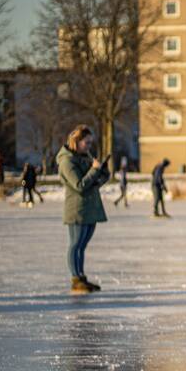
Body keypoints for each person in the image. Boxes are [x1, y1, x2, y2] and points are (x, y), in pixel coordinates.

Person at [57, 125, 110, 294]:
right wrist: (94, 170)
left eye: (90, 143)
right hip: (77, 209)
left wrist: (102, 173)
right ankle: (75, 279)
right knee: (75, 244)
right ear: (77, 142)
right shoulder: (67, 161)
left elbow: (93, 184)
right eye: (86, 143)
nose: (89, 146)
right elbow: (79, 185)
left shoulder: (84, 157)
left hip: (90, 208)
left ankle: (81, 277)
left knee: (82, 245)